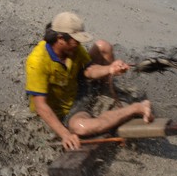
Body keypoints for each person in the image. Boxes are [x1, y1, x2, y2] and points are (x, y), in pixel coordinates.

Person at [25, 12, 154, 150]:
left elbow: (89, 70)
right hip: (65, 109)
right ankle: (136, 108)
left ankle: (106, 94)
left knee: (103, 46)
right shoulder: (37, 62)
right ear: (60, 38)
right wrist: (65, 134)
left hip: (77, 87)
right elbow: (41, 106)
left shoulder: (73, 48)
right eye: (76, 41)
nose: (79, 44)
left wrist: (110, 69)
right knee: (81, 128)